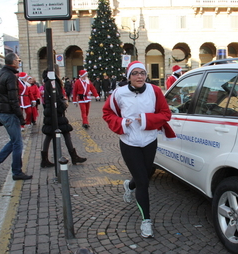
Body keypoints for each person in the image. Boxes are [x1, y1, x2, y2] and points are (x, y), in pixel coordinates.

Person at [103, 61, 176, 238]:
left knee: (146, 173)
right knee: (143, 182)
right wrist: (121, 123)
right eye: (135, 73)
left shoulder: (155, 91)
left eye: (142, 73)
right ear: (129, 76)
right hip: (129, 142)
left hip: (150, 140)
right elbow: (107, 113)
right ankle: (146, 221)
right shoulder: (119, 93)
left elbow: (166, 114)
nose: (139, 76)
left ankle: (129, 185)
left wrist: (145, 120)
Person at [0, 52, 32, 181]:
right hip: (8, 113)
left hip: (1, 111)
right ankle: (16, 172)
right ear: (12, 62)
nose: (19, 62)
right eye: (18, 60)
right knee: (17, 143)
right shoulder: (11, 76)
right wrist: (20, 117)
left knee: (14, 141)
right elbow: (13, 99)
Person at [41, 67, 87, 167]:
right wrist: (63, 104)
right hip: (55, 111)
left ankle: (44, 159)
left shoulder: (48, 81)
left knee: (50, 135)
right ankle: (73, 156)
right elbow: (56, 97)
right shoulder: (53, 82)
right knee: (65, 133)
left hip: (51, 110)